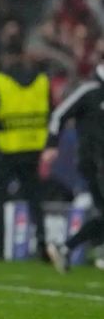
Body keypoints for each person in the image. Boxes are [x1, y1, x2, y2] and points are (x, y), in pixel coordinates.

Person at [0, 46, 51, 261]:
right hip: (33, 148)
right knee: (35, 199)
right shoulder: (42, 81)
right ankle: (42, 245)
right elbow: (50, 112)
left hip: (5, 148)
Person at [44, 61, 104, 273]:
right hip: (93, 162)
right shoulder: (89, 90)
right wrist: (52, 144)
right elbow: (59, 114)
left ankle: (67, 248)